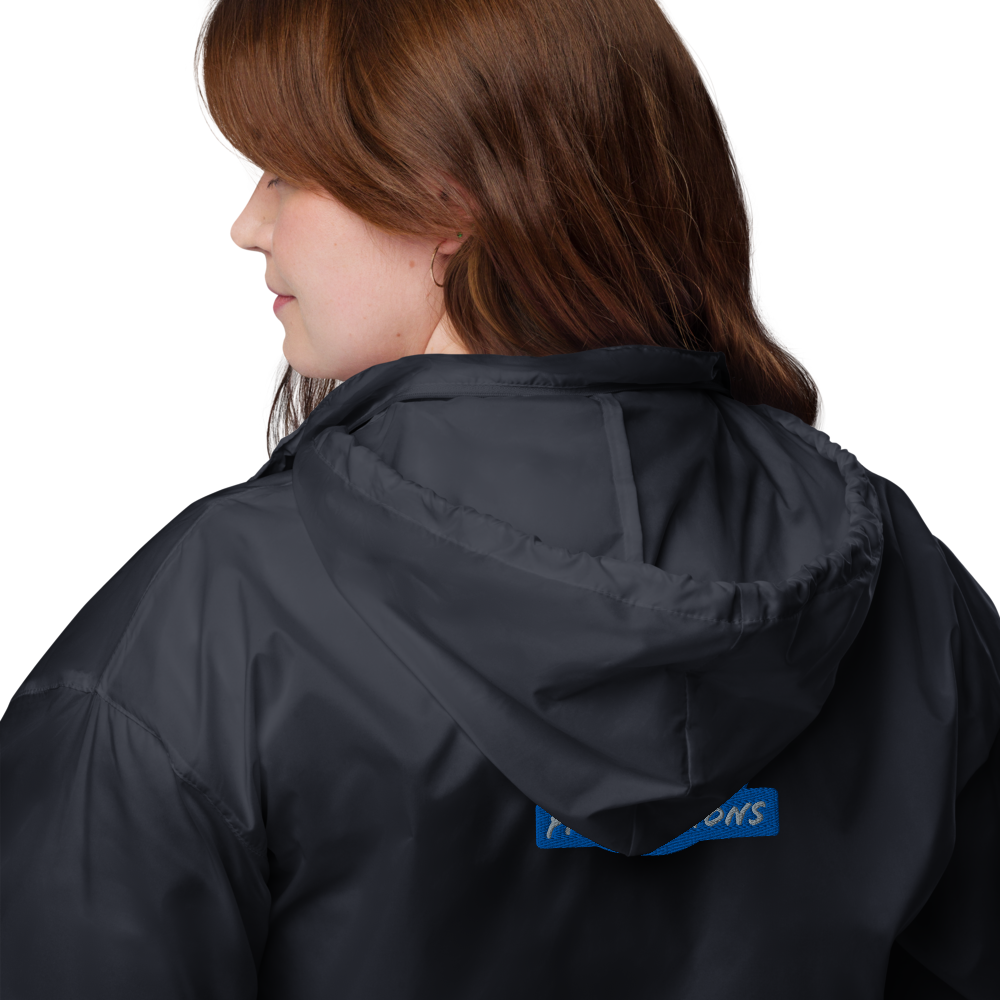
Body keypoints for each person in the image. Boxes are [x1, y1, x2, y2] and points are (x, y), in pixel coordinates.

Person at [2, 0, 996, 997]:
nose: (245, 226)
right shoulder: (902, 571)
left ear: (447, 195)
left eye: (284, 174)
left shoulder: (209, 624)